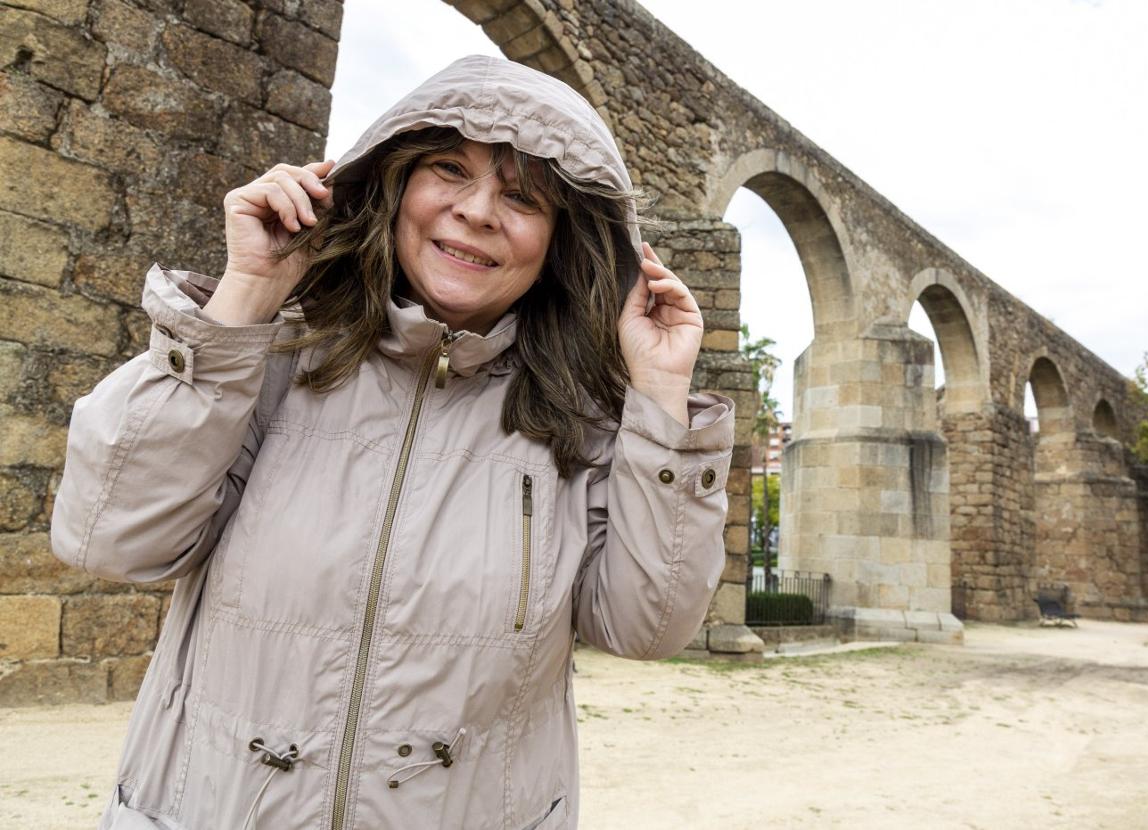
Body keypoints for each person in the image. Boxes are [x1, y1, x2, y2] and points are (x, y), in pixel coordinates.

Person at [50, 54, 734, 829]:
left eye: (523, 197)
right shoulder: (264, 355)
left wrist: (661, 400)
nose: (477, 211)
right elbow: (111, 538)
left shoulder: (585, 418)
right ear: (395, 183)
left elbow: (647, 627)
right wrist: (243, 301)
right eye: (449, 169)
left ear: (559, 239)